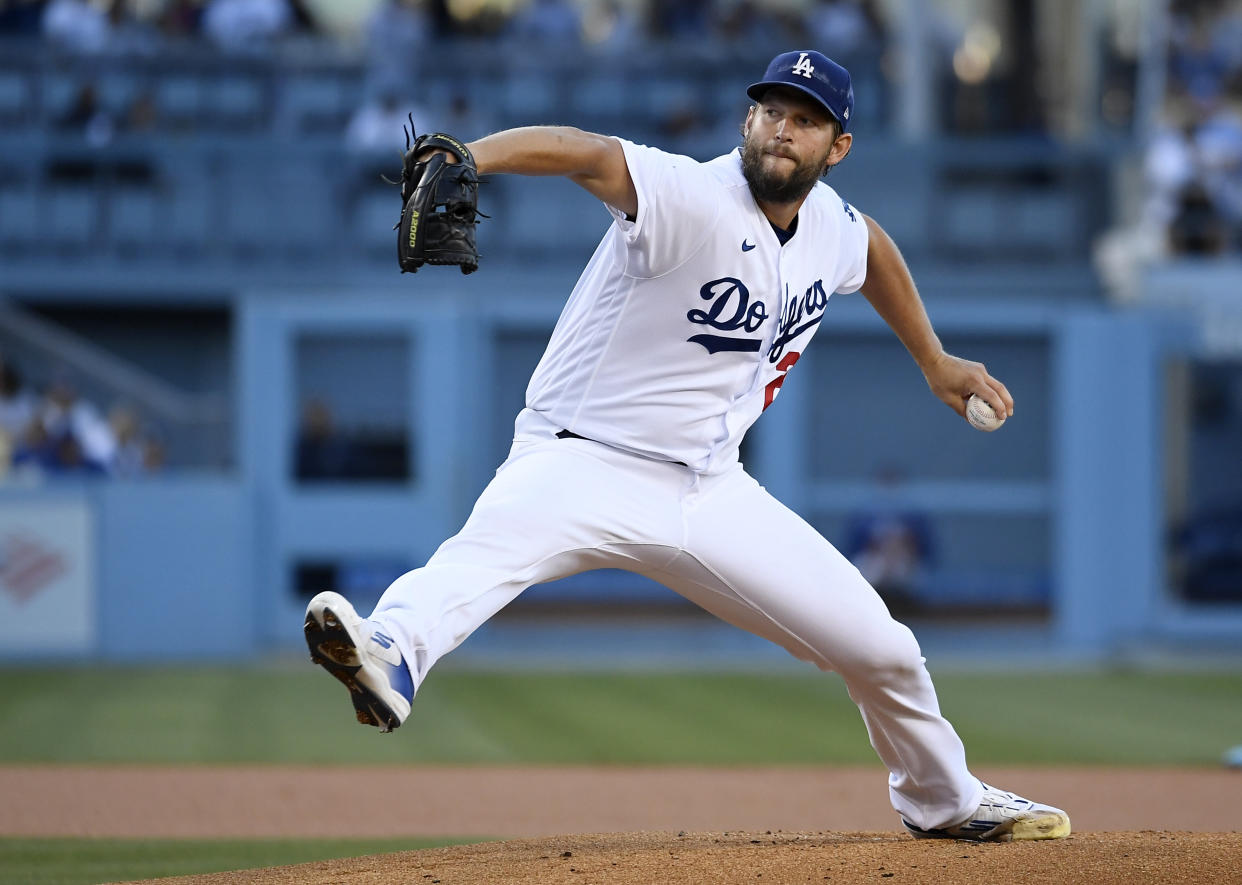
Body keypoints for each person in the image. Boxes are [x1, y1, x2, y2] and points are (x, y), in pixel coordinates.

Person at [304, 49, 1070, 842]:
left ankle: (942, 799)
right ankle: (389, 652)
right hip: (581, 459)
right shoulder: (694, 196)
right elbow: (586, 152)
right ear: (747, 119)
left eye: (805, 120)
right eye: (771, 111)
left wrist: (934, 359)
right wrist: (472, 156)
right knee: (478, 559)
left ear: (836, 148)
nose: (782, 130)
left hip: (710, 491)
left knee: (885, 649)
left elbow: (870, 246)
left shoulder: (829, 227)